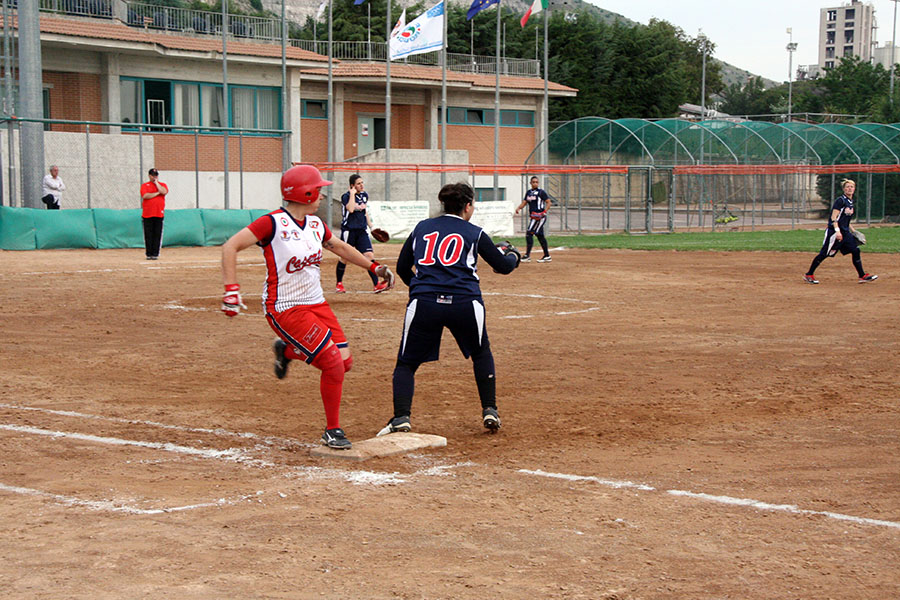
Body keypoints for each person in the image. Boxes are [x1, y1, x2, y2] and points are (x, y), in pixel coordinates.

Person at [220, 165, 395, 450]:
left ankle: (287, 351)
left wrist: (374, 266)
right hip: (285, 307)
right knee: (333, 364)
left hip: (316, 303)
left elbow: (340, 247)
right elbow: (230, 247)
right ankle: (332, 429)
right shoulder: (272, 223)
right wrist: (231, 290)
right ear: (306, 192)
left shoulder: (315, 224)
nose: (323, 196)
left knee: (345, 362)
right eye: (319, 190)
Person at [377, 182, 520, 437]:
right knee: (481, 352)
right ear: (467, 206)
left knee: (406, 363)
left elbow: (401, 267)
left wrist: (421, 289)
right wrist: (513, 255)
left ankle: (401, 417)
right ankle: (490, 409)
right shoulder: (474, 232)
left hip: (425, 303)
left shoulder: (422, 227)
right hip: (465, 302)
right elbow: (504, 266)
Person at [803, 178, 877, 284]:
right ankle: (809, 274)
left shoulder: (850, 202)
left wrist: (854, 231)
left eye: (852, 186)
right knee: (825, 253)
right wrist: (837, 231)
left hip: (845, 233)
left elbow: (846, 220)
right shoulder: (840, 201)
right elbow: (834, 218)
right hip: (834, 232)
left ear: (854, 189)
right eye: (847, 187)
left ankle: (862, 276)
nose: (850, 188)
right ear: (844, 189)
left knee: (855, 250)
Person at [335, 173, 387, 293]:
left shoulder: (364, 195)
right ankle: (339, 284)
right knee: (344, 257)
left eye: (362, 183)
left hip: (362, 231)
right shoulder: (346, 196)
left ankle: (376, 284)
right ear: (352, 186)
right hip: (349, 231)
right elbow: (351, 209)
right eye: (358, 184)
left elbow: (364, 212)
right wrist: (352, 194)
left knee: (369, 256)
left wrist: (372, 227)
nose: (361, 185)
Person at [514, 175, 552, 263]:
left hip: (540, 217)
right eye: (533, 182)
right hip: (533, 217)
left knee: (529, 233)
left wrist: (544, 212)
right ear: (530, 183)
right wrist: (519, 208)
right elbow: (524, 202)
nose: (535, 183)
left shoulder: (541, 192)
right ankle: (547, 255)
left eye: (536, 182)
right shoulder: (529, 192)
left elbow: (549, 202)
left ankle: (527, 255)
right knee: (539, 235)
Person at [140, 168, 168, 260]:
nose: (154, 177)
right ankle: (149, 253)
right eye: (153, 175)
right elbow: (145, 195)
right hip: (147, 214)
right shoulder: (145, 185)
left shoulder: (162, 185)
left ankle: (155, 253)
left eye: (156, 175)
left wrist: (157, 183)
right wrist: (157, 193)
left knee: (157, 234)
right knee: (148, 234)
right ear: (149, 176)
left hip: (159, 214)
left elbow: (163, 191)